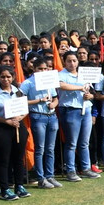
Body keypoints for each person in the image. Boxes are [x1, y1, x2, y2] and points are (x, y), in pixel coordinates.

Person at [0, 66, 31, 201]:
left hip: (17, 126)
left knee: (18, 157)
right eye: (2, 77)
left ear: (13, 77)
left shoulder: (18, 91)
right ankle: (5, 188)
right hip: (1, 128)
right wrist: (6, 121)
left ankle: (19, 186)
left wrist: (19, 118)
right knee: (3, 159)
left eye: (8, 77)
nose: (6, 79)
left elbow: (25, 108)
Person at [58, 51, 97, 180]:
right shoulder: (61, 74)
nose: (72, 63)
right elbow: (61, 85)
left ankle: (86, 168)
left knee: (84, 142)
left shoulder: (83, 74)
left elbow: (91, 91)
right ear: (64, 62)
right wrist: (79, 88)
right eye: (69, 61)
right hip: (70, 110)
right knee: (71, 143)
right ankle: (70, 171)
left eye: (74, 60)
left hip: (86, 109)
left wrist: (90, 95)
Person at [25, 57, 60, 189]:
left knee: (50, 148)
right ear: (34, 69)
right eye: (40, 69)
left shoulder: (49, 81)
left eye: (45, 68)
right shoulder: (28, 83)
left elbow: (55, 98)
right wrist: (39, 100)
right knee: (40, 148)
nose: (43, 71)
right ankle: (40, 178)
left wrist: (54, 104)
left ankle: (50, 175)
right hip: (38, 116)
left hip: (51, 116)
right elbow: (20, 100)